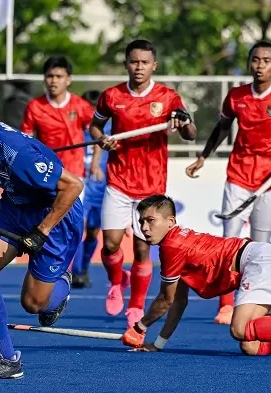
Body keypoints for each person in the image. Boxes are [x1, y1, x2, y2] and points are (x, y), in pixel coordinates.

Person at [0, 95, 85, 380]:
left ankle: (62, 284)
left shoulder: (19, 155)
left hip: (55, 214)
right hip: (15, 205)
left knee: (33, 304)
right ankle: (6, 360)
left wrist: (41, 231)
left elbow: (73, 186)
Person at [120, 194, 271, 360]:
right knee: (251, 346)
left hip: (259, 262)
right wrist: (158, 344)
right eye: (141, 222)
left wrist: (139, 327)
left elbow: (165, 300)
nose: (145, 228)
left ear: (170, 222)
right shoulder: (177, 244)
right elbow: (178, 302)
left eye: (151, 220)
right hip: (270, 260)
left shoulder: (172, 245)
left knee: (239, 328)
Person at [185, 41, 271, 325]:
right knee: (229, 242)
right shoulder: (236, 96)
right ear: (249, 63)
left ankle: (256, 303)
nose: (259, 65)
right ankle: (226, 305)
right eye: (255, 60)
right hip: (239, 176)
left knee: (260, 246)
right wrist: (203, 158)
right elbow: (222, 128)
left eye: (266, 60)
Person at [88, 39, 196, 329]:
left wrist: (184, 121)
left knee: (142, 249)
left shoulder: (168, 97)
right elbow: (94, 126)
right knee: (110, 245)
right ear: (126, 64)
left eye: (144, 62)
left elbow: (191, 134)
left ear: (154, 65)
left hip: (151, 188)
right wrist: (102, 139)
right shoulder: (111, 96)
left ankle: (135, 306)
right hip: (118, 181)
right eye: (134, 62)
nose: (139, 67)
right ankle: (116, 282)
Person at [20, 55, 94, 179]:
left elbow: (96, 133)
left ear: (68, 79)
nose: (54, 81)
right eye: (50, 76)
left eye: (59, 76)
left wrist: (95, 163)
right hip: (46, 172)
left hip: (74, 173)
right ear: (44, 78)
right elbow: (26, 141)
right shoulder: (34, 106)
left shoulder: (81, 105)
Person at [69, 90, 108, 289]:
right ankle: (74, 272)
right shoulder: (74, 128)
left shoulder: (107, 128)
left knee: (93, 232)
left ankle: (83, 268)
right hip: (79, 185)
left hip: (101, 189)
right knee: (77, 229)